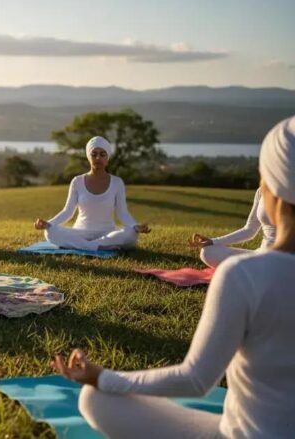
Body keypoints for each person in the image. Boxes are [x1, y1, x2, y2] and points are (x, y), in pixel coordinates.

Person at [52, 116, 295, 438]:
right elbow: (67, 214)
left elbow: (194, 380)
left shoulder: (244, 275)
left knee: (96, 397)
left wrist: (103, 377)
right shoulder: (246, 272)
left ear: (272, 190)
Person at [35, 136, 150, 251]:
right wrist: (49, 224)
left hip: (108, 234)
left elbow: (122, 212)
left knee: (131, 234)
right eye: (94, 154)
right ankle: (97, 246)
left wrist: (135, 226)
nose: (98, 158)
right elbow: (68, 211)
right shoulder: (77, 181)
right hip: (80, 233)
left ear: (107, 158)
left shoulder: (117, 183)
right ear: (88, 157)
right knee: (50, 232)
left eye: (102, 154)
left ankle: (87, 245)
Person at [189, 188, 275, 268]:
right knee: (208, 251)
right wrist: (213, 241)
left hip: (284, 260)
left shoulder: (287, 192)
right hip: (261, 256)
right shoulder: (262, 190)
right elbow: (249, 230)